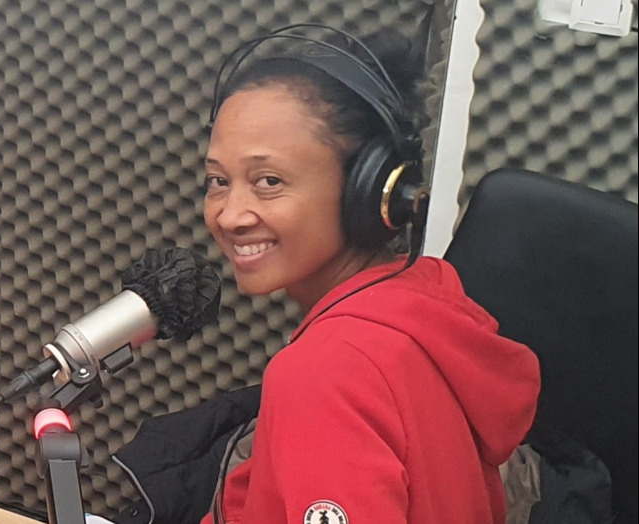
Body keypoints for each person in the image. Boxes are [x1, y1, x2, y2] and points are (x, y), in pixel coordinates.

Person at [194, 25, 541, 524]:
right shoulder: (425, 303)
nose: (230, 215)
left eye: (268, 181)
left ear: (372, 190)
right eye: (218, 181)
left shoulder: (325, 375)